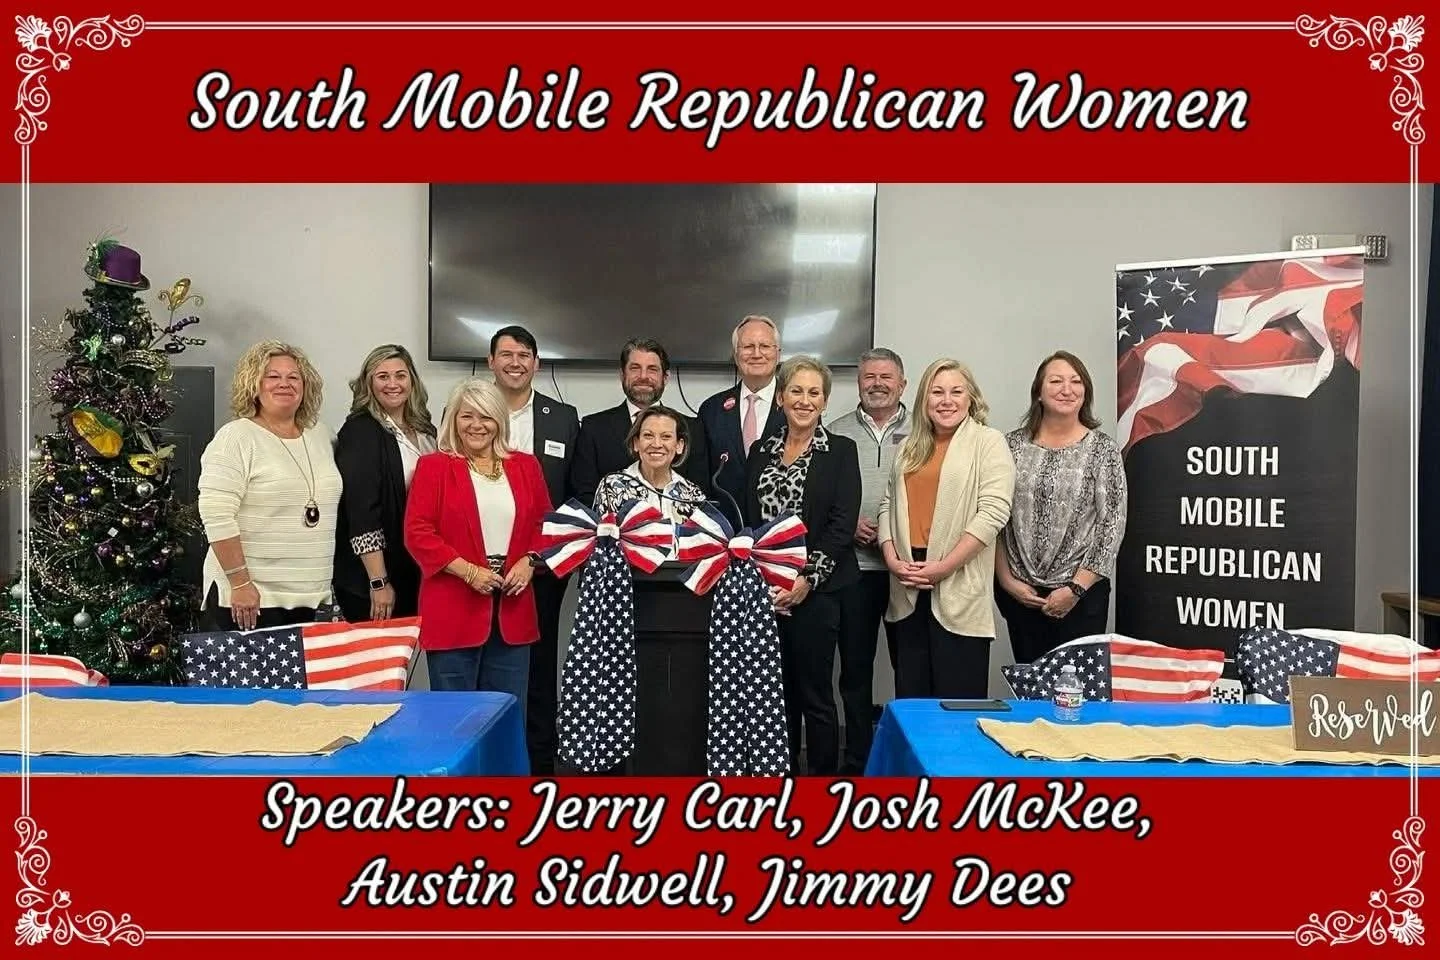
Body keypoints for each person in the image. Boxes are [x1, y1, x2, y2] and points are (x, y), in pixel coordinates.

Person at [403, 379, 553, 718]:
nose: (476, 425)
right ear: (453, 419)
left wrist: (530, 561)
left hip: (513, 611)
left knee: (504, 717)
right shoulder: (434, 467)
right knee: (456, 719)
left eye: (485, 417)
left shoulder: (526, 466)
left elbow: (547, 525)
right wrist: (469, 572)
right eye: (466, 416)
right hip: (453, 607)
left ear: (499, 420)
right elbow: (417, 532)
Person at [743, 356, 861, 776]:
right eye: (796, 390)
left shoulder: (841, 451)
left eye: (814, 393)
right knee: (777, 695)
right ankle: (783, 776)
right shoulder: (761, 450)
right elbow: (750, 520)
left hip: (817, 593)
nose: (804, 400)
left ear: (825, 402)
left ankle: (824, 785)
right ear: (780, 397)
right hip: (766, 592)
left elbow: (841, 524)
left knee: (815, 695)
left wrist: (807, 579)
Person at [878, 359, 1014, 700]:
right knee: (912, 701)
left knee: (958, 702)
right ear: (925, 399)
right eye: (937, 392)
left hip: (957, 578)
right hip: (908, 583)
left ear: (971, 398)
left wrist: (945, 566)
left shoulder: (989, 442)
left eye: (956, 391)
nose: (946, 400)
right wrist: (892, 558)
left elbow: (993, 513)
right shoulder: (909, 447)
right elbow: (887, 504)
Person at [197, 341, 342, 632]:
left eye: (293, 377)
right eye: (273, 376)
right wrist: (240, 583)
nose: (284, 384)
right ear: (254, 384)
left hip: (310, 597)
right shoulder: (236, 437)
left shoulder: (322, 435)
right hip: (248, 598)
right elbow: (216, 515)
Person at [487, 324, 580, 776]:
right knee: (486, 664)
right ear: (491, 362)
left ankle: (540, 765)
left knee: (540, 667)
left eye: (525, 354)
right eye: (506, 354)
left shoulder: (563, 417)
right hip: (476, 566)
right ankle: (488, 760)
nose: (515, 362)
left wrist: (540, 556)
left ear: (536, 364)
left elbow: (569, 498)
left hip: (541, 566)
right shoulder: (467, 410)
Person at [996, 351, 1127, 663]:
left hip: (1081, 595)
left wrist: (1075, 590)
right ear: (1038, 393)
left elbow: (1112, 524)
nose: (1067, 389)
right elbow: (995, 520)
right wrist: (1006, 581)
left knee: (1075, 695)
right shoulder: (1010, 446)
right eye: (1055, 381)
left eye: (1076, 381)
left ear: (1086, 392)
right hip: (1021, 595)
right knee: (1031, 691)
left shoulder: (1103, 450)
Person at [824, 347, 910, 773]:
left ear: (902, 384)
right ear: (858, 382)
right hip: (854, 569)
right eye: (869, 376)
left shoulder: (925, 430)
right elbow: (821, 492)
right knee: (854, 673)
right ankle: (858, 759)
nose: (877, 383)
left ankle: (908, 759)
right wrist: (848, 523)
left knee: (908, 670)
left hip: (909, 571)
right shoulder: (835, 431)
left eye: (886, 377)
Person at [332, 344, 437, 624]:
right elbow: (362, 511)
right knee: (379, 666)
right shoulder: (361, 430)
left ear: (412, 380)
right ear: (368, 382)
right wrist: (379, 582)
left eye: (400, 375)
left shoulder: (426, 430)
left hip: (413, 568)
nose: (393, 384)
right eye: (383, 376)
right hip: (375, 577)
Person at [569, 337, 710, 507]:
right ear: (622, 375)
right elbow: (584, 494)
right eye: (635, 368)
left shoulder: (692, 428)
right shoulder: (593, 427)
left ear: (665, 377)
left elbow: (701, 494)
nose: (643, 376)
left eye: (652, 369)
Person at [698, 315, 785, 527]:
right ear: (736, 355)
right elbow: (701, 478)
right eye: (748, 346)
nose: (756, 354)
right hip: (724, 534)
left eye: (764, 345)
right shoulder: (711, 410)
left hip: (780, 534)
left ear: (777, 354)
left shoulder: (797, 407)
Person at [594, 405, 707, 525]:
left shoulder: (692, 494)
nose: (657, 444)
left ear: (679, 445)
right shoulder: (612, 486)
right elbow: (604, 540)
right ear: (636, 443)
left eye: (666, 437)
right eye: (648, 435)